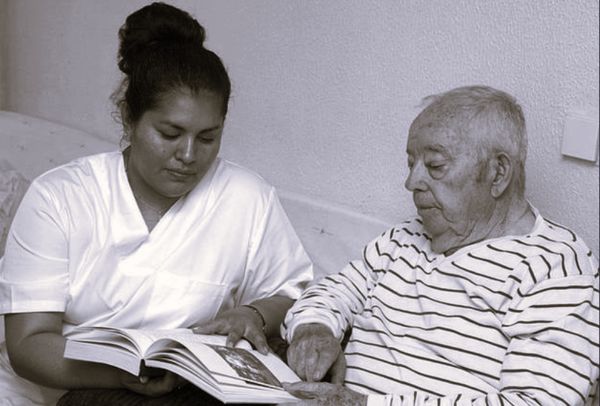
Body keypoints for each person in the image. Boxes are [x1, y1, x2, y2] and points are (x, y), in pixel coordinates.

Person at [0, 3, 312, 405]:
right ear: (130, 118)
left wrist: (252, 315)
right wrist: (122, 373)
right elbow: (28, 343)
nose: (188, 154)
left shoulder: (246, 197)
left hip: (176, 391)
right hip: (49, 392)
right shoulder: (60, 198)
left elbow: (293, 293)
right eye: (170, 133)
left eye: (207, 138)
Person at [282, 85, 599, 405]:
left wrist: (364, 404)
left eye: (434, 166)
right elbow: (332, 290)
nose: (411, 183)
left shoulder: (556, 268)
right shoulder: (403, 238)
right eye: (411, 164)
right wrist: (313, 328)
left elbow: (536, 403)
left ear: (498, 173)